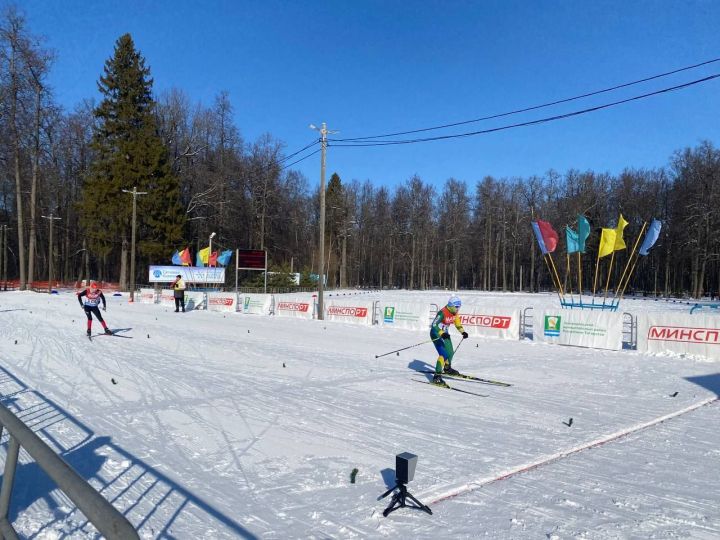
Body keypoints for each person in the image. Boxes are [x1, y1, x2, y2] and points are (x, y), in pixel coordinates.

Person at [429, 295, 468, 385]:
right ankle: (437, 377)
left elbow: (457, 322)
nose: (458, 309)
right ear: (451, 305)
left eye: (459, 307)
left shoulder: (454, 313)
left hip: (445, 334)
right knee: (444, 354)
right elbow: (434, 325)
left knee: (450, 353)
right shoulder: (442, 313)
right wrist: (441, 333)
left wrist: (463, 332)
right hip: (436, 334)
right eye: (457, 307)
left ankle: (447, 368)